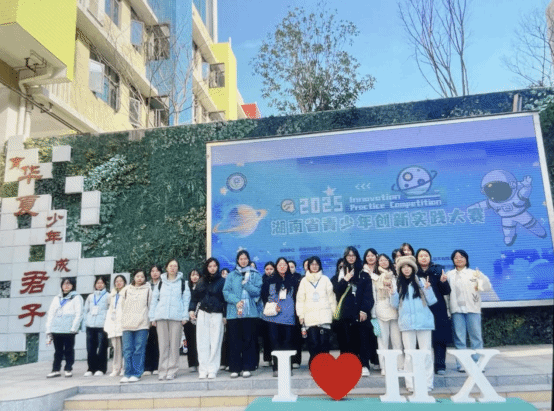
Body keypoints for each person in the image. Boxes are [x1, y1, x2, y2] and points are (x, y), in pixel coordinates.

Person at [390, 256, 437, 392]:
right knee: (409, 355)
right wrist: (393, 293)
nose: (406, 269)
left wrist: (428, 289)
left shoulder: (421, 281)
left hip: (424, 323)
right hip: (406, 324)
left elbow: (432, 301)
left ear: (413, 268)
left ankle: (428, 383)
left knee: (426, 354)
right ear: (400, 269)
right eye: (403, 267)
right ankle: (410, 383)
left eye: (408, 266)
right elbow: (394, 305)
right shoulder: (397, 283)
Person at [446, 249, 492, 372]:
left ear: (466, 259)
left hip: (473, 309)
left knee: (476, 337)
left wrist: (480, 277)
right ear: (453, 260)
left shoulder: (473, 273)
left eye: (461, 257)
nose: (459, 259)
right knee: (459, 338)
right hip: (456, 310)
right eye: (456, 257)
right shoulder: (449, 275)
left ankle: (478, 364)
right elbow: (446, 293)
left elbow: (486, 287)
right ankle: (462, 364)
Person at [149, 258, 191, 380]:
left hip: (176, 317)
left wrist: (185, 316)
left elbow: (186, 301)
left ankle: (172, 370)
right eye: (170, 266)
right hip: (161, 317)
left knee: (174, 345)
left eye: (175, 266)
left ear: (178, 268)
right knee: (163, 346)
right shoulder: (160, 283)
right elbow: (154, 301)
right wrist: (152, 317)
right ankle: (162, 370)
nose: (173, 268)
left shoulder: (183, 283)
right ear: (166, 268)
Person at [223, 250, 263, 378]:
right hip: (234, 313)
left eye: (245, 258)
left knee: (248, 341)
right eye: (241, 259)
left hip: (250, 313)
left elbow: (257, 292)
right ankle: (235, 368)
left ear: (248, 260)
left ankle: (247, 367)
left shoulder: (255, 274)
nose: (243, 261)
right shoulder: (231, 275)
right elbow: (226, 292)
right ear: (237, 260)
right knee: (234, 341)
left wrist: (246, 284)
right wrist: (236, 301)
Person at [261, 257, 300, 377]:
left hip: (288, 316)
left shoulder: (293, 280)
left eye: (284, 265)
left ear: (287, 267)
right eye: (280, 265)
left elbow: (297, 297)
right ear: (276, 267)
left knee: (288, 342)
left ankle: (287, 368)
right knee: (275, 342)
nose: (282, 267)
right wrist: (273, 306)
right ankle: (276, 368)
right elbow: (264, 296)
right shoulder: (269, 280)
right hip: (273, 317)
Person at [296, 256, 336, 367]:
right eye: (312, 264)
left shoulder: (325, 279)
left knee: (324, 343)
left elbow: (331, 298)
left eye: (316, 264)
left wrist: (333, 312)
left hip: (324, 316)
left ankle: (325, 366)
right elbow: (300, 300)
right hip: (310, 317)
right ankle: (314, 366)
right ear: (308, 266)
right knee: (313, 343)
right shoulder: (304, 281)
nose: (314, 266)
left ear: (320, 266)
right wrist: (300, 315)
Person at [416, 248, 451, 375]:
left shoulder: (437, 270)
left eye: (426, 255)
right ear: (417, 258)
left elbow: (446, 291)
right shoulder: (414, 272)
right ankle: (423, 365)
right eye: (421, 256)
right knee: (421, 338)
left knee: (439, 337)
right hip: (421, 308)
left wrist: (443, 282)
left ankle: (440, 365)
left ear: (430, 257)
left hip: (438, 308)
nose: (423, 258)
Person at [190, 258, 226, 379]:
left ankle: (212, 369)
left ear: (218, 267)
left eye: (214, 266)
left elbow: (225, 300)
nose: (212, 268)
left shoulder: (222, 281)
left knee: (215, 342)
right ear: (206, 267)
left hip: (217, 314)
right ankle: (203, 369)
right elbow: (194, 298)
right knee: (202, 343)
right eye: (210, 266)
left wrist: (225, 315)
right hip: (203, 314)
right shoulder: (201, 281)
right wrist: (191, 310)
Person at [331, 247, 370, 358]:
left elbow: (367, 293)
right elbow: (337, 290)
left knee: (360, 339)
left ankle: (361, 363)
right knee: (346, 339)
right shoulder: (342, 271)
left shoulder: (362, 271)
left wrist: (364, 310)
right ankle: (347, 362)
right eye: (349, 255)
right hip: (346, 311)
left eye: (353, 255)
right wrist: (345, 279)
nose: (351, 258)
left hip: (360, 310)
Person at [45, 277, 83, 378]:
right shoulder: (57, 298)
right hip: (56, 328)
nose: (66, 286)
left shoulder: (76, 297)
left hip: (69, 329)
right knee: (58, 351)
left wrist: (74, 328)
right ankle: (55, 370)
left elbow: (79, 313)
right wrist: (49, 329)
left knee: (69, 350)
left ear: (73, 286)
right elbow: (51, 314)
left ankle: (68, 368)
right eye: (64, 284)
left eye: (69, 284)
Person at [372, 254, 403, 375]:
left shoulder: (395, 275)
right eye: (381, 260)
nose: (383, 262)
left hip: (395, 310)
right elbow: (374, 296)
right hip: (380, 310)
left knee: (397, 341)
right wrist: (373, 313)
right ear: (378, 263)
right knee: (383, 341)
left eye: (385, 260)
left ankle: (400, 365)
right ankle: (384, 367)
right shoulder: (375, 277)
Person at [120, 270, 152, 383]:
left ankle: (137, 373)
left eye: (142, 276)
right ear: (134, 277)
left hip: (142, 324)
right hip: (127, 324)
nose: (139, 278)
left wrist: (148, 320)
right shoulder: (126, 290)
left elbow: (150, 306)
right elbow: (122, 306)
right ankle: (127, 373)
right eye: (137, 276)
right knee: (127, 350)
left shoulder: (148, 290)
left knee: (139, 349)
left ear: (145, 278)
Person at [83, 276, 110, 377]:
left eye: (101, 283)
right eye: (98, 283)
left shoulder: (108, 296)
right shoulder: (90, 297)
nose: (99, 285)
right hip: (90, 325)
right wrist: (85, 323)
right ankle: (91, 368)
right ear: (95, 284)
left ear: (105, 284)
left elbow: (110, 310)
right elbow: (85, 311)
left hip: (102, 325)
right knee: (90, 348)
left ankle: (101, 369)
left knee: (102, 347)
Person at [359, 248, 379, 376]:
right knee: (364, 338)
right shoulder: (362, 273)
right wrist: (362, 309)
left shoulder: (381, 270)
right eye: (368, 256)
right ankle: (365, 365)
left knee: (379, 337)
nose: (370, 257)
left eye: (372, 255)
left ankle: (378, 361)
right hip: (366, 310)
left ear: (377, 256)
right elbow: (360, 292)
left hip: (381, 309)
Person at [104, 274, 127, 376]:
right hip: (114, 323)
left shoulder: (127, 292)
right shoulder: (112, 295)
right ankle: (116, 368)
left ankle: (125, 368)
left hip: (124, 323)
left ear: (124, 282)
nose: (118, 283)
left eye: (121, 281)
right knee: (116, 348)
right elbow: (110, 310)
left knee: (125, 348)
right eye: (117, 281)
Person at [144, 265, 162, 375]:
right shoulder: (146, 285)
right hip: (147, 316)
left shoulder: (163, 284)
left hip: (159, 316)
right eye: (152, 271)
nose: (155, 273)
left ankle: (156, 366)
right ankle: (147, 367)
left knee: (158, 342)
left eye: (157, 271)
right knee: (148, 342)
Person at [184, 269, 201, 373]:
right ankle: (192, 363)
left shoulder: (203, 287)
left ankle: (201, 363)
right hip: (188, 318)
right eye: (192, 275)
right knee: (190, 341)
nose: (195, 277)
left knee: (200, 341)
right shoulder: (186, 288)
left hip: (201, 316)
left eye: (197, 275)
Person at [260, 262, 276, 367]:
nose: (269, 271)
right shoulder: (262, 280)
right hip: (265, 311)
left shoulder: (276, 279)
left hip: (275, 311)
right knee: (266, 336)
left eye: (271, 269)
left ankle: (275, 359)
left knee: (274, 336)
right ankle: (267, 358)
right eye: (267, 269)